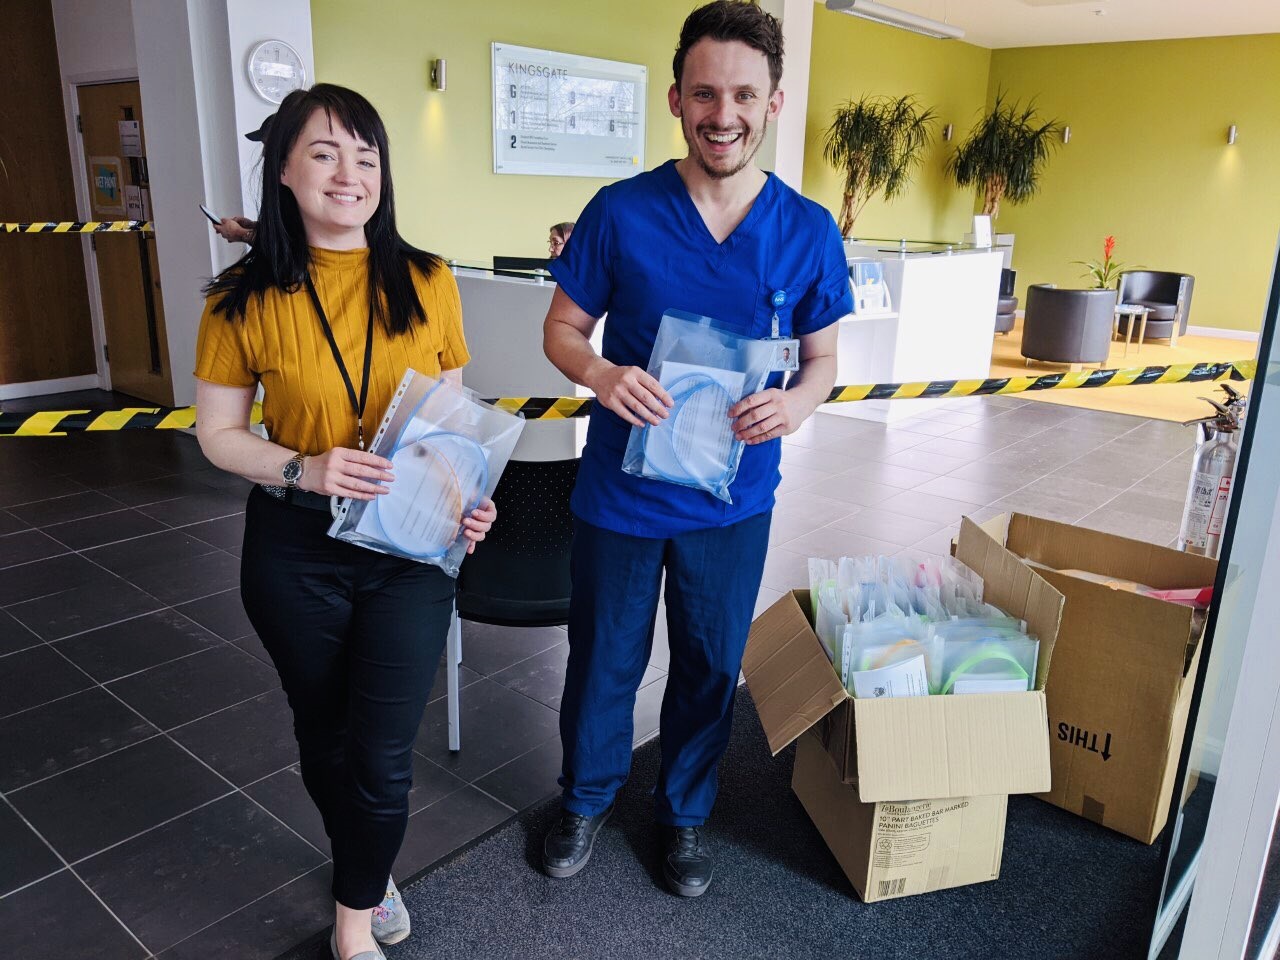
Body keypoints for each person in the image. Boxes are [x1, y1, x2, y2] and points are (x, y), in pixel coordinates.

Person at [540, 0, 851, 898]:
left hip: (733, 500)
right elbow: (562, 328)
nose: (725, 114)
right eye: (706, 93)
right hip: (621, 496)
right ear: (677, 99)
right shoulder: (622, 212)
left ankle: (682, 815)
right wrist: (600, 375)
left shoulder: (806, 231)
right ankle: (586, 799)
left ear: (775, 102)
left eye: (744, 95)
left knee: (711, 661)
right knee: (604, 654)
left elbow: (825, 360)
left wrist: (796, 404)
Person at [193, 84, 496, 960]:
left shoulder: (428, 279)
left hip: (408, 546)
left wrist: (466, 493)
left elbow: (452, 416)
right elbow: (217, 435)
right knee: (323, 731)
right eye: (325, 152)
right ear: (284, 170)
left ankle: (353, 923)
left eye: (366, 155)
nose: (349, 173)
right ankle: (369, 866)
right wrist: (305, 467)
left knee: (383, 751)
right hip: (294, 548)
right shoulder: (241, 297)